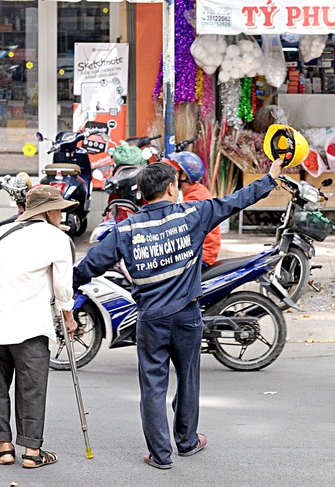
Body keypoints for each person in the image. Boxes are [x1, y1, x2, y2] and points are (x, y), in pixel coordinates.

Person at [74, 158, 284, 470]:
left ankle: (160, 455)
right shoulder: (193, 214)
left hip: (150, 319)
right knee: (188, 380)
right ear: (171, 188)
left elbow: (90, 266)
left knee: (153, 387)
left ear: (144, 194)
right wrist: (269, 179)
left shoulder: (126, 229)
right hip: (187, 316)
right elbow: (236, 201)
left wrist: (63, 288)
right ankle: (186, 442)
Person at [0, 185, 78, 469]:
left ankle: (4, 448)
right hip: (30, 323)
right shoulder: (57, 238)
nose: (61, 215)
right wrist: (69, 317)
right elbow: (63, 286)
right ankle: (31, 452)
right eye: (59, 210)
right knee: (32, 387)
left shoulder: (3, 232)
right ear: (50, 211)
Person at [167, 151, 220, 268]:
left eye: (173, 172)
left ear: (184, 176)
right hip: (197, 250)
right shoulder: (195, 191)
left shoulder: (195, 198)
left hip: (201, 256)